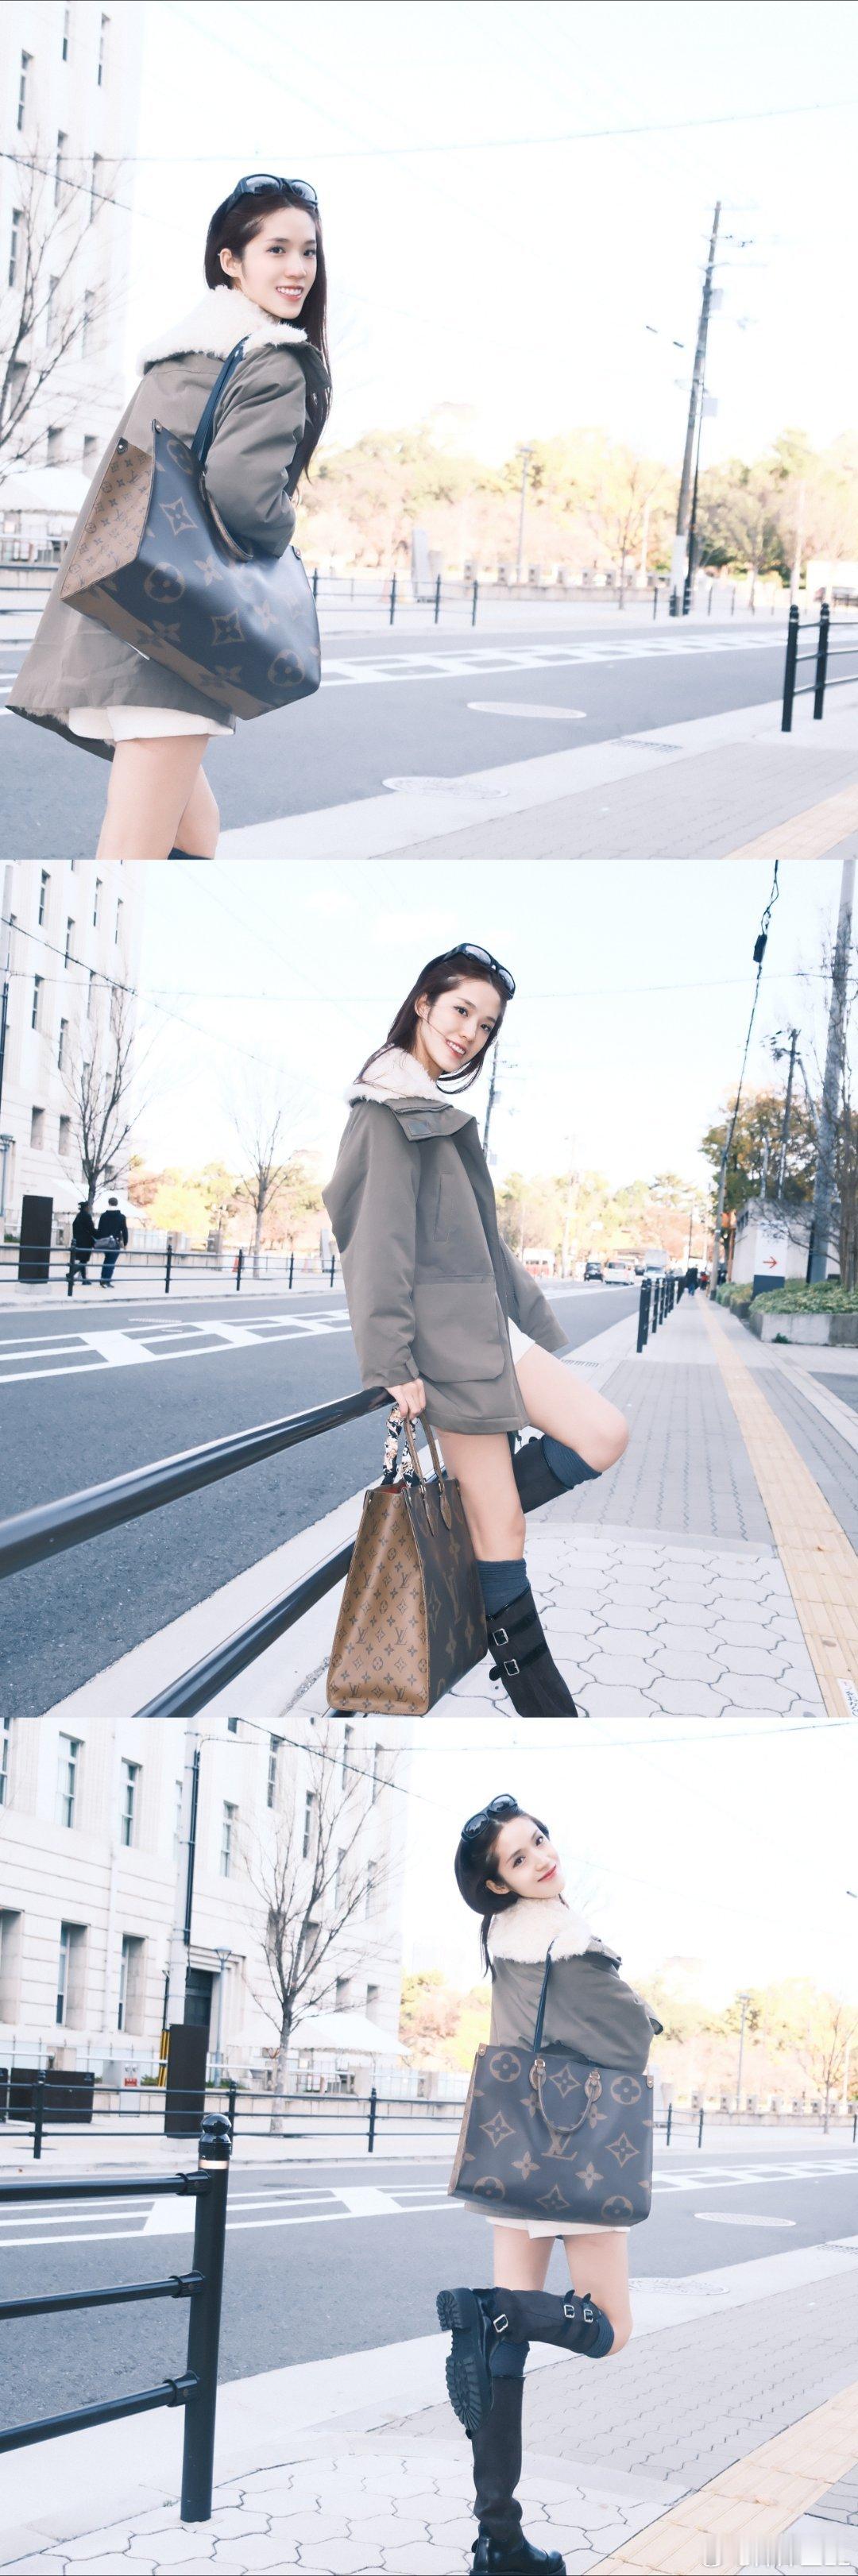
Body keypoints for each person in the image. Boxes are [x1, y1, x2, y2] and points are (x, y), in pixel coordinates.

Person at [323, 946, 628, 1718]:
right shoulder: (385, 1109)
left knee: (602, 1433)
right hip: (446, 1348)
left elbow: (480, 1242)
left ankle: (467, 1522)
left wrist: (531, 1318)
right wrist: (391, 1360)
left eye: (487, 1025)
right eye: (461, 1010)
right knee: (505, 1533)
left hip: (487, 1331)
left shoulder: (427, 1104)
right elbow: (376, 1243)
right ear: (423, 1003)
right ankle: (549, 1712)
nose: (471, 1033)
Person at [10, 176, 331, 862]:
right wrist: (285, 532)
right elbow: (244, 496)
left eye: (308, 251)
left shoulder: (179, 359)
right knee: (130, 859)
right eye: (277, 249)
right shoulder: (275, 362)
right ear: (231, 260)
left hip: (119, 614)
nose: (299, 268)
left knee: (194, 831)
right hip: (179, 642)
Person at [437, 1795, 660, 2576]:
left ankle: (498, 2540)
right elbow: (630, 2039)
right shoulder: (571, 1944)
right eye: (520, 1857)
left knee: (504, 2353)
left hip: (514, 2153)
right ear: (500, 1882)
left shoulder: (500, 1942)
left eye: (539, 1840)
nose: (543, 1858)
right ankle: (499, 2309)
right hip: (583, 2149)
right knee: (611, 2325)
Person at [96, 1196, 129, 1286]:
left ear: (109, 1203)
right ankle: (106, 1280)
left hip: (105, 1242)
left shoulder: (103, 1216)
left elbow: (100, 1230)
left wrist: (99, 1240)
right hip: (115, 1242)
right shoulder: (121, 1217)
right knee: (111, 1262)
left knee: (107, 1261)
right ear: (117, 1204)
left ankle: (103, 1279)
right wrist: (125, 1243)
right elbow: (124, 1230)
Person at [70, 1201, 96, 1284]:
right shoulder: (87, 1217)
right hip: (86, 1242)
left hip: (78, 1242)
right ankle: (71, 1274)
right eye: (89, 1207)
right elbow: (91, 1229)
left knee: (83, 1260)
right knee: (83, 1261)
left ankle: (84, 1280)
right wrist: (99, 1235)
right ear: (86, 1208)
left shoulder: (78, 1216)